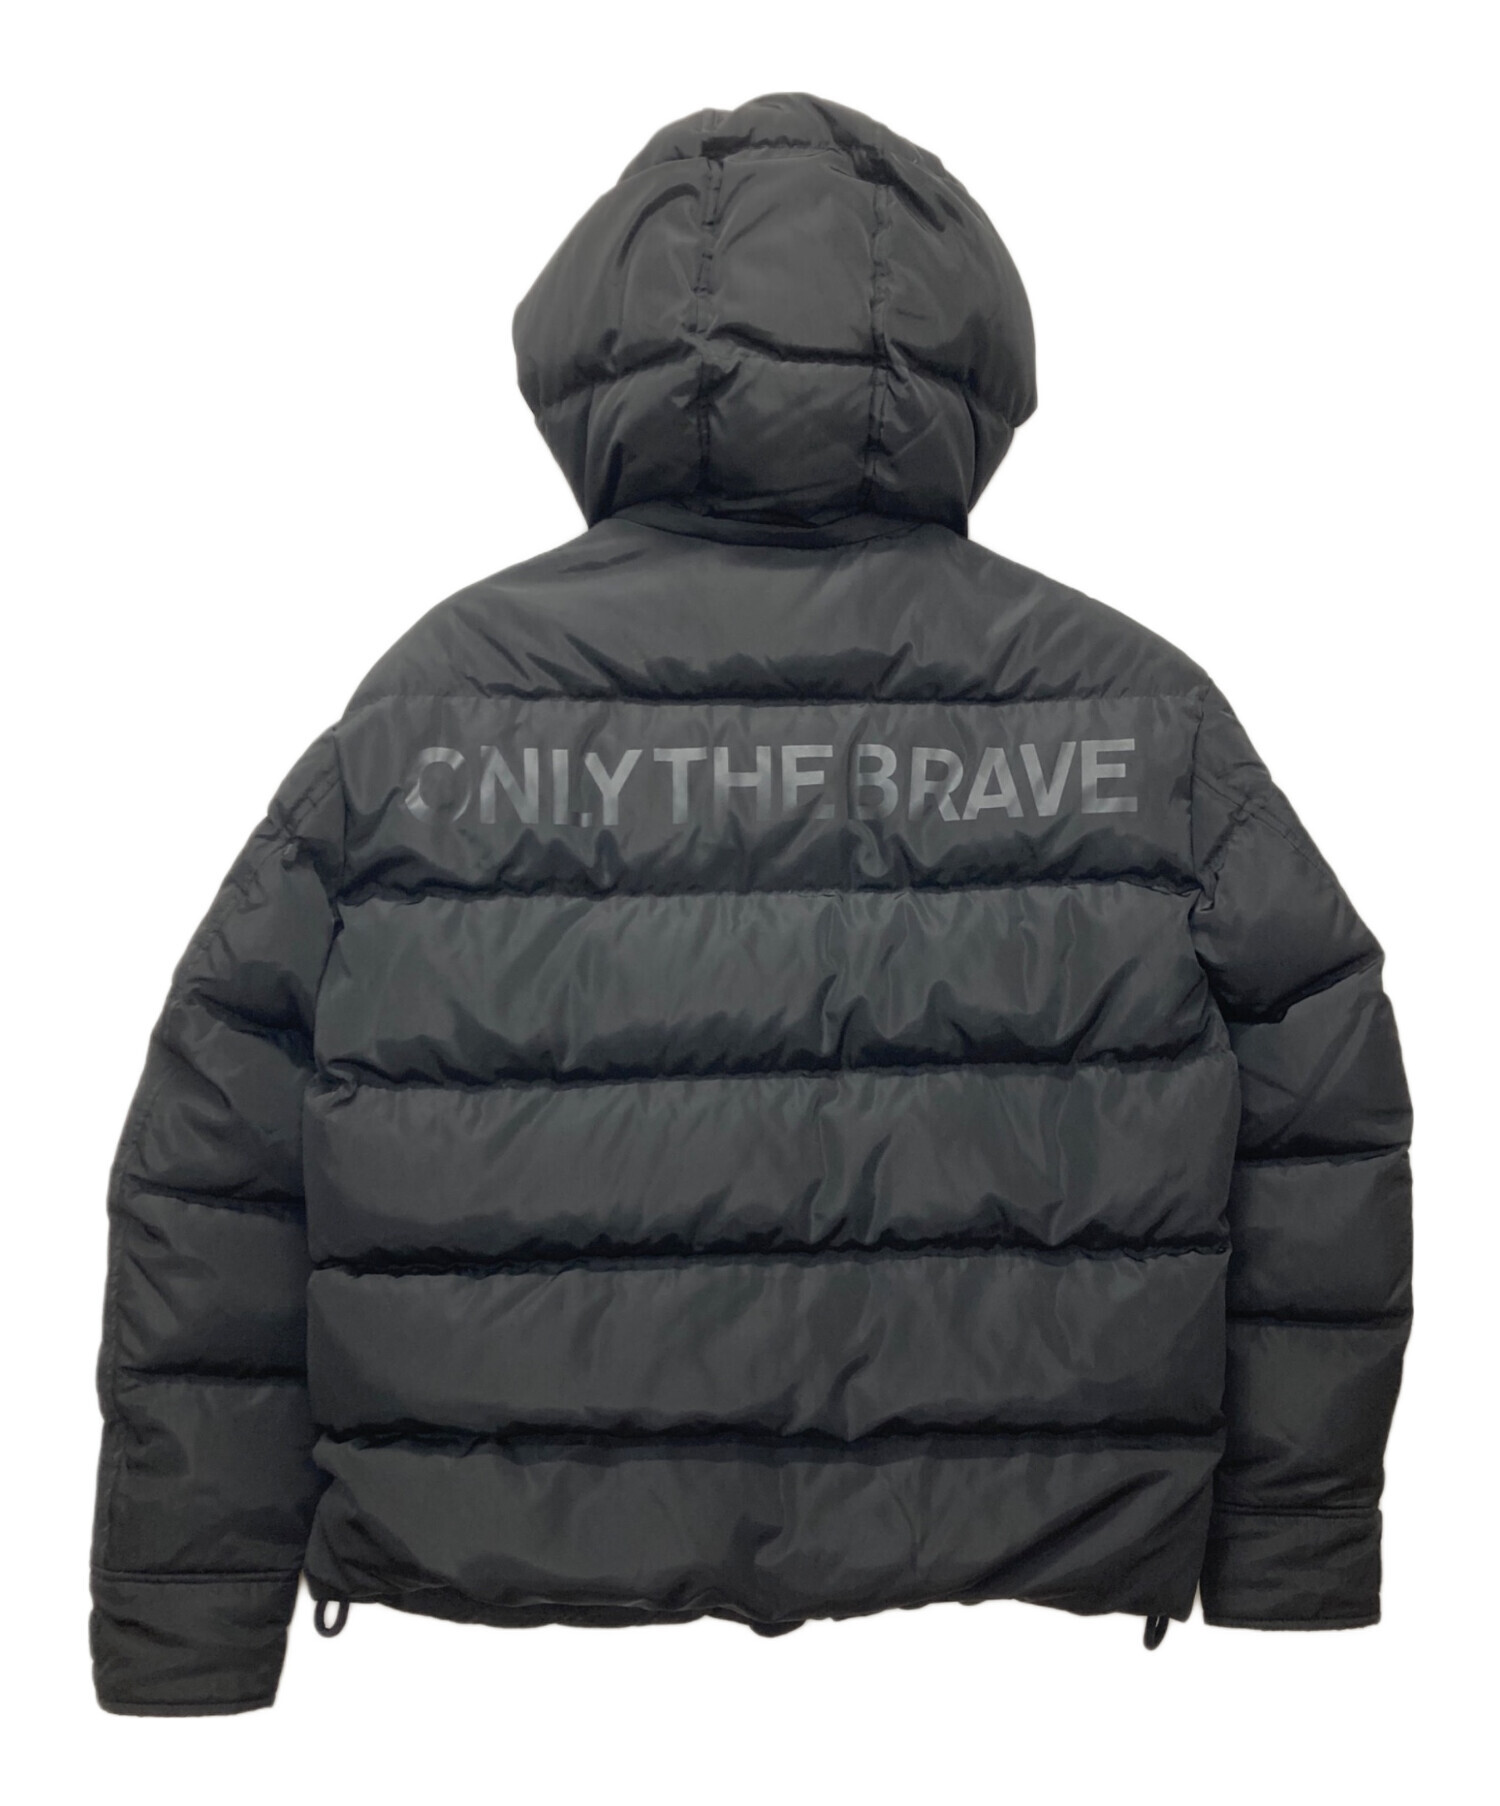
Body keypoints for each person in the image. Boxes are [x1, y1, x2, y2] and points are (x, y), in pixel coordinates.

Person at [90, 92, 1413, 1715]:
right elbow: (1323, 1097)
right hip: (1023, 1677)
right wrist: (1290, 1551)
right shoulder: (1144, 718)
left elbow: (216, 1156)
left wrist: (189, 1620)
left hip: (490, 1675)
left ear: (593, 361)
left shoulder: (430, 706)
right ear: (968, 367)